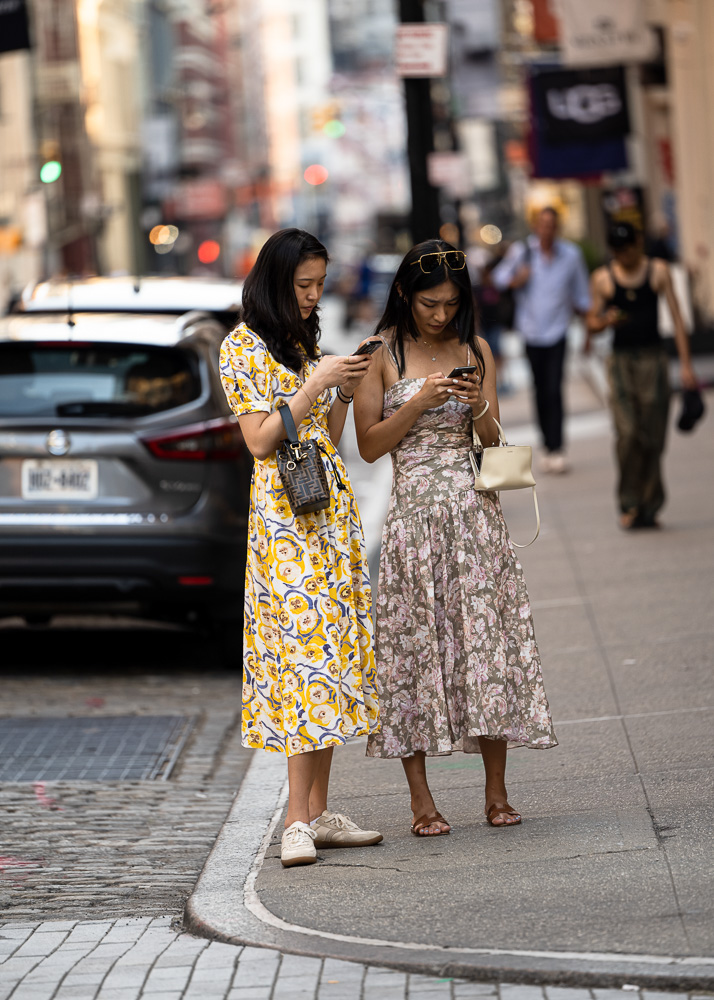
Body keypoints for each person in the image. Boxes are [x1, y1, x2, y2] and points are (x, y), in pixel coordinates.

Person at [354, 239, 557, 837]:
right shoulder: (380, 356)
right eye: (429, 303)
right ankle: (421, 800)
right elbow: (369, 445)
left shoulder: (477, 349)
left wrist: (475, 408)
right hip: (414, 521)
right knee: (415, 653)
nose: (440, 315)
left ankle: (497, 791)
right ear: (403, 295)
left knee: (485, 647)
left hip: (475, 517)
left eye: (450, 303)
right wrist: (418, 401)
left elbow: (495, 446)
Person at [219, 228, 382, 868]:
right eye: (303, 287)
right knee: (299, 661)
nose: (313, 298)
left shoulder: (300, 340)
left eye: (319, 286)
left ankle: (316, 813)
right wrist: (314, 384)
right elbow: (260, 439)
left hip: (327, 512)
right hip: (285, 526)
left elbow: (326, 436)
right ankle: (293, 822)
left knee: (329, 653)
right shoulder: (241, 347)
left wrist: (342, 387)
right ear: (274, 283)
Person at [586, 222, 697, 530]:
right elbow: (591, 323)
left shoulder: (658, 271)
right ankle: (629, 502)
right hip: (620, 363)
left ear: (639, 243)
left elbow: (676, 318)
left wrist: (686, 365)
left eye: (630, 247)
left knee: (653, 435)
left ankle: (650, 505)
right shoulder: (604, 278)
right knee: (628, 433)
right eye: (618, 250)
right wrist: (606, 320)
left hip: (654, 360)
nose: (625, 255)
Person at [492, 207, 591, 473]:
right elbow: (498, 278)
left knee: (555, 388)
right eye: (542, 224)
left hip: (558, 331)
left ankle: (557, 447)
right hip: (531, 332)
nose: (547, 230)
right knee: (540, 389)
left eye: (552, 225)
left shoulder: (571, 255)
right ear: (536, 226)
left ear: (557, 228)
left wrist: (590, 323)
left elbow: (582, 294)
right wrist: (517, 279)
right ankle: (547, 443)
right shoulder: (522, 252)